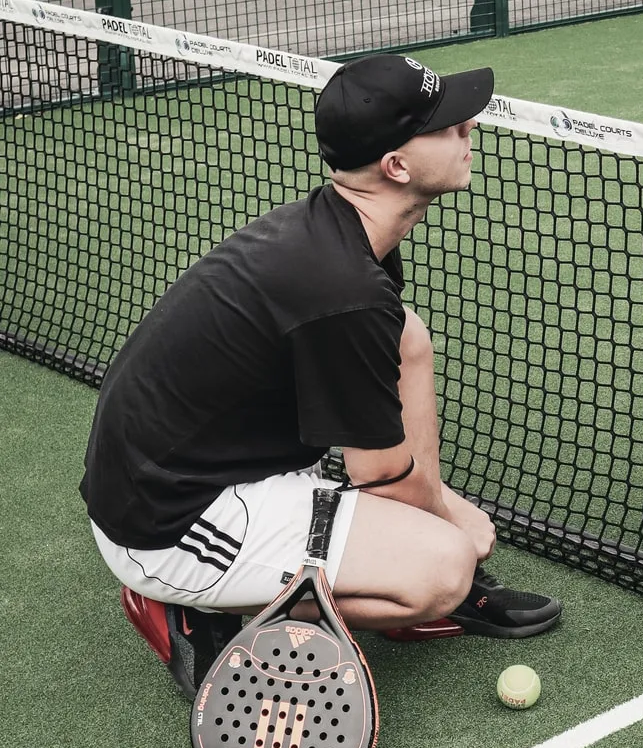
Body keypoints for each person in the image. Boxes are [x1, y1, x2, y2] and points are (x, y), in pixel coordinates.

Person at [79, 54, 563, 699]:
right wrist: (453, 538)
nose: (468, 129)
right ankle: (195, 609)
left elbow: (400, 357)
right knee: (446, 567)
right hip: (169, 523)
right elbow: (383, 480)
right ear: (397, 166)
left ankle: (393, 573)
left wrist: (440, 506)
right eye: (446, 126)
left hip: (207, 468)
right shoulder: (343, 288)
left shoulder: (339, 233)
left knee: (409, 341)